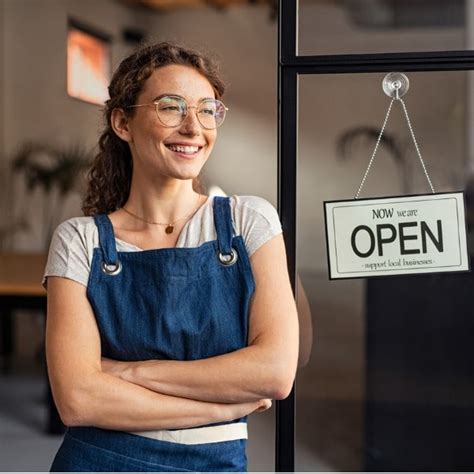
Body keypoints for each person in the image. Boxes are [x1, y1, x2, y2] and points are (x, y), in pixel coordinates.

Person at [43, 41, 299, 472]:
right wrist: (220, 408)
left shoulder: (249, 222)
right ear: (122, 121)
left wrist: (129, 373)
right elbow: (78, 400)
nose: (193, 127)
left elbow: (274, 373)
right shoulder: (79, 241)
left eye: (206, 109)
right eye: (171, 107)